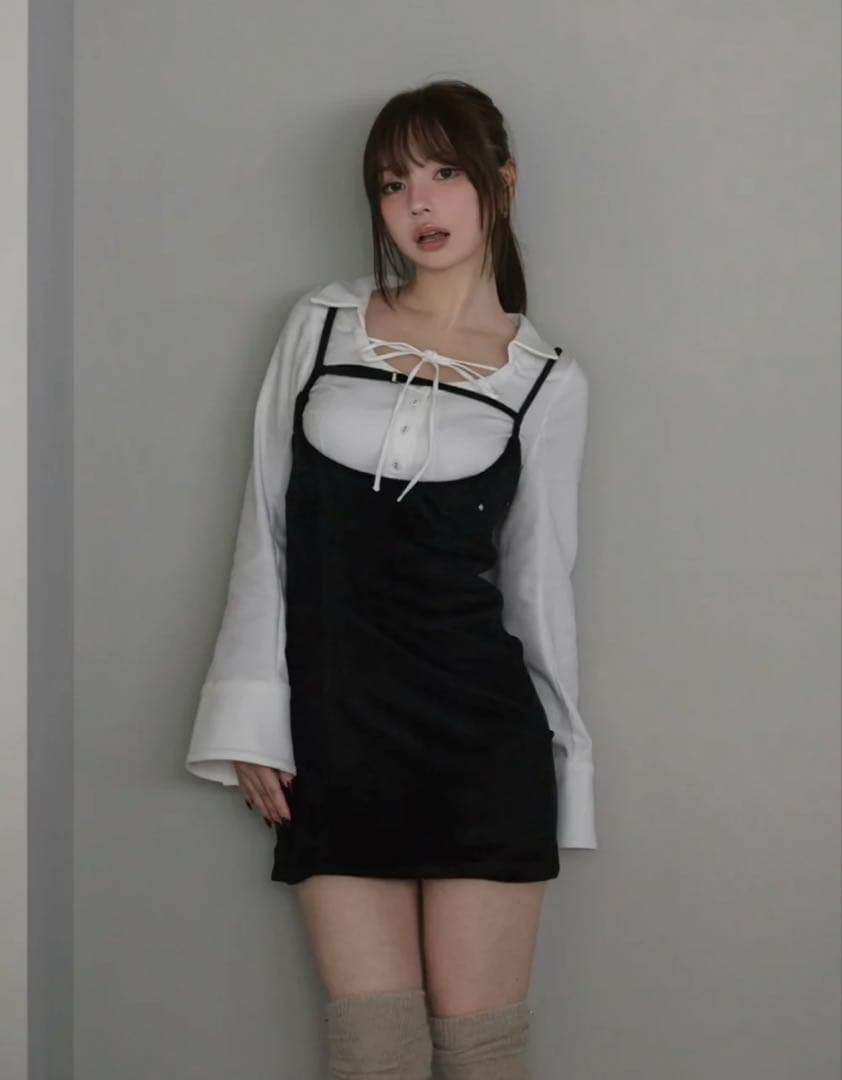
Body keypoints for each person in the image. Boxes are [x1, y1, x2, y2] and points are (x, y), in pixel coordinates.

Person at [185, 78, 596, 1080]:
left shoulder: (545, 382)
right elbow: (265, 528)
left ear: (501, 183)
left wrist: (569, 772)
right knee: (375, 1059)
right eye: (391, 182)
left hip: (481, 747)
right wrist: (252, 719)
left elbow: (540, 592)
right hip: (338, 737)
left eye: (444, 172)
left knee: (481, 1059)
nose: (418, 203)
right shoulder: (321, 327)